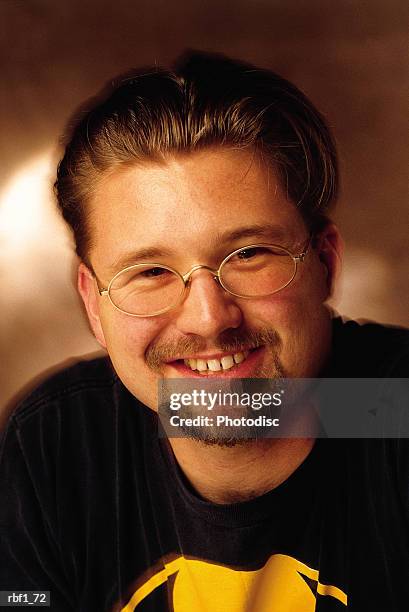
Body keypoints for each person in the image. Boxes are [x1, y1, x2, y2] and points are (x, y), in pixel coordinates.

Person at [0, 51, 408, 612]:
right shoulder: (60, 444)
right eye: (150, 272)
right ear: (94, 303)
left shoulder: (390, 410)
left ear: (326, 264)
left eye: (248, 254)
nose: (210, 318)